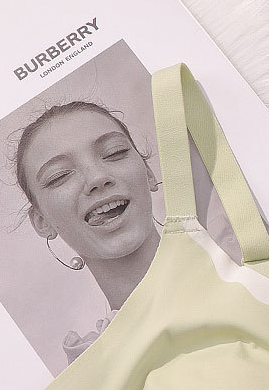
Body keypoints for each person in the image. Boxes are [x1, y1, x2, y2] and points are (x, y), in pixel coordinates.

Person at [14, 100, 161, 365]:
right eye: (59, 176)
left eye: (114, 152)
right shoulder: (93, 370)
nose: (97, 178)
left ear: (148, 173)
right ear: (42, 221)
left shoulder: (240, 270)